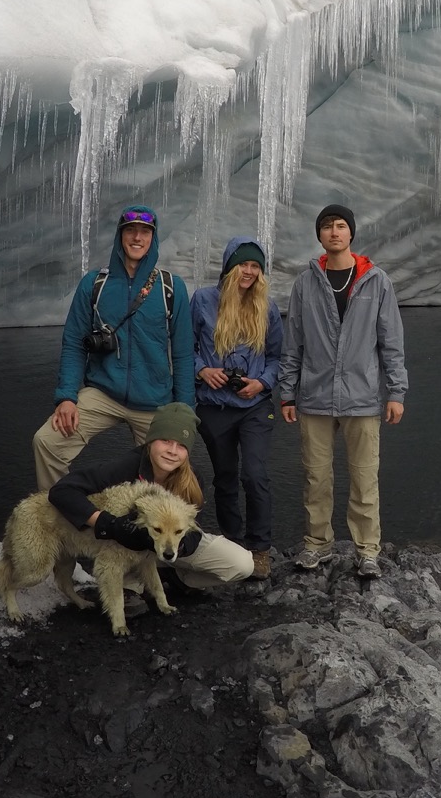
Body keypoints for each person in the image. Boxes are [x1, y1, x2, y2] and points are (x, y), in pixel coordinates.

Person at [278, 204, 407, 578]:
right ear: (319, 236)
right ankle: (317, 545)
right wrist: (287, 394)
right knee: (315, 477)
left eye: (340, 226)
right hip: (315, 397)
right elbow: (293, 344)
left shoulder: (376, 281)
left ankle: (367, 550)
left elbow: (392, 343)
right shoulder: (306, 283)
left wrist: (396, 392)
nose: (334, 232)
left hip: (362, 397)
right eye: (326, 227)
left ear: (351, 233)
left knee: (364, 478)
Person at [32, 204, 194, 491]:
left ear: (152, 239)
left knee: (168, 470)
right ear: (120, 236)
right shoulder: (94, 284)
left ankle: (155, 530)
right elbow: (73, 344)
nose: (137, 238)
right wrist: (66, 397)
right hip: (103, 392)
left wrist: (185, 413)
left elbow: (183, 355)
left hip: (155, 400)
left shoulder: (171, 288)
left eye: (145, 232)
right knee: (47, 442)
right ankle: (58, 515)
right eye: (130, 230)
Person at [48, 401, 254, 588]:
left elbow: (193, 529)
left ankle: (179, 578)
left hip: (169, 546)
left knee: (242, 564)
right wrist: (106, 523)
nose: (173, 451)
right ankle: (136, 583)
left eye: (181, 445)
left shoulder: (192, 479)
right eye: (165, 440)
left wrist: (181, 547)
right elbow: (62, 491)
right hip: (128, 548)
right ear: (150, 441)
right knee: (123, 595)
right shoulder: (126, 467)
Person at [191, 236, 283, 580]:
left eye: (255, 267)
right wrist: (202, 369)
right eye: (243, 264)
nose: (249, 272)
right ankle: (233, 544)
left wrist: (262, 383)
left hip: (254, 406)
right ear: (230, 267)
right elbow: (185, 348)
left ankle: (260, 549)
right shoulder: (202, 300)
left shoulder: (267, 308)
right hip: (213, 406)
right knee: (226, 478)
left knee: (254, 475)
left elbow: (276, 357)